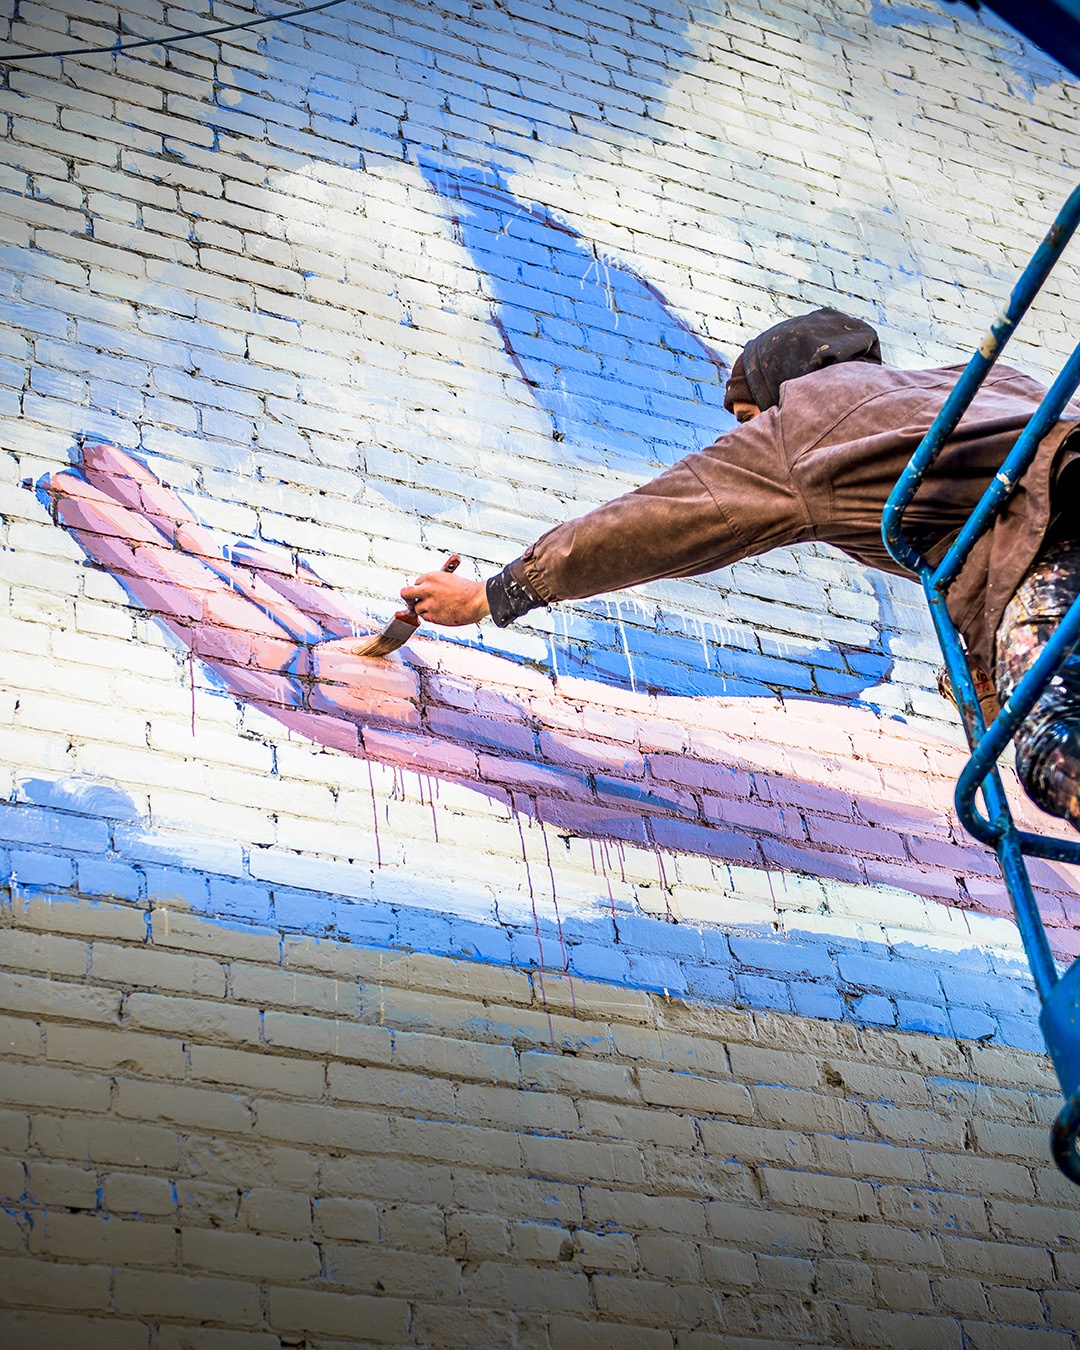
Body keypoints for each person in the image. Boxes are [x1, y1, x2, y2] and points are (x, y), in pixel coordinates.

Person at [403, 308, 1080, 830]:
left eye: (746, 416)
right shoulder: (983, 387)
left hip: (1061, 537)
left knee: (1057, 754)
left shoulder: (806, 421)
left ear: (780, 388)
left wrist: (491, 596)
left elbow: (653, 522)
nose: (739, 436)